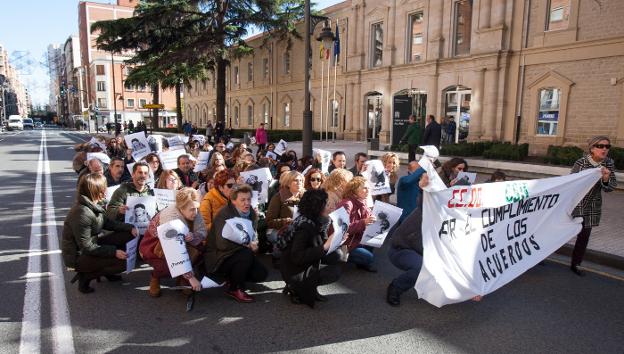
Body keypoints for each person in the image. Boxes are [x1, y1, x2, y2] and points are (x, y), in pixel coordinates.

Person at [62, 173, 138, 293]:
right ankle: (85, 276)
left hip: (93, 244)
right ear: (97, 190)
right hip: (79, 256)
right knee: (123, 262)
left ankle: (106, 271)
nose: (107, 189)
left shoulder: (95, 204)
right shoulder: (82, 213)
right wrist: (114, 252)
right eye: (104, 186)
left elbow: (108, 224)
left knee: (128, 235)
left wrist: (130, 228)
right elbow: (87, 247)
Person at [203, 184, 268, 302]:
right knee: (245, 255)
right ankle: (235, 288)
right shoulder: (224, 215)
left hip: (237, 253)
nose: (246, 203)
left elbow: (254, 233)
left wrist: (255, 243)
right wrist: (247, 245)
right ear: (233, 201)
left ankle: (232, 277)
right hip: (218, 256)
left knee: (261, 274)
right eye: (242, 200)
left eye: (248, 199)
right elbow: (221, 244)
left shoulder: (251, 213)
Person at [280, 189, 342, 308]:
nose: (330, 207)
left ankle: (309, 287)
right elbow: (297, 257)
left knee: (336, 255)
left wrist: (338, 239)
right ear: (317, 207)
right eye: (326, 204)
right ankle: (294, 287)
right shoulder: (304, 227)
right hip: (294, 269)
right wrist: (324, 246)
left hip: (303, 263)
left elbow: (319, 242)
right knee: (335, 271)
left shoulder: (319, 220)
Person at [140, 188, 205, 297]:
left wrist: (193, 236)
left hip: (180, 242)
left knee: (201, 249)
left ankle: (181, 279)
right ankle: (155, 277)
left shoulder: (194, 208)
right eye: (192, 210)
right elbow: (174, 252)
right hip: (156, 246)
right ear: (181, 208)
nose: (196, 212)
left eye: (197, 208)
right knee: (167, 267)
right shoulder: (170, 217)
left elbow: (202, 231)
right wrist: (191, 277)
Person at [569, 136, 617, 276]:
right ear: (592, 148)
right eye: (600, 146)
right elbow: (570, 182)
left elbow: (609, 188)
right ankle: (541, 256)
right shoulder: (582, 163)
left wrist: (606, 178)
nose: (604, 149)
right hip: (575, 203)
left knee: (584, 236)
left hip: (592, 206)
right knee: (562, 232)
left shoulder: (608, 163)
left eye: (607, 147)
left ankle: (576, 264)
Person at [386, 173, 429, 306]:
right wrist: (423, 189)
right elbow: (424, 202)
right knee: (421, 267)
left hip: (422, 251)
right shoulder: (427, 209)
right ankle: (396, 287)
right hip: (402, 249)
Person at [335, 177, 377, 272]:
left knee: (373, 240)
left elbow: (367, 219)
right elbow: (342, 228)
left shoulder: (363, 202)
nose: (368, 191)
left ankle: (361, 261)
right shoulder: (346, 204)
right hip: (345, 243)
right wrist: (364, 222)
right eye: (364, 188)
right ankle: (341, 257)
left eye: (368, 188)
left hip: (356, 239)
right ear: (354, 189)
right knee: (369, 258)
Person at [266, 171, 305, 253]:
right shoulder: (278, 197)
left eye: (301, 180)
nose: (299, 183)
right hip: (278, 230)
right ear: (288, 183)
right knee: (290, 241)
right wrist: (286, 221)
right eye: (295, 180)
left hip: (299, 230)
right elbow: (269, 221)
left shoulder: (305, 196)